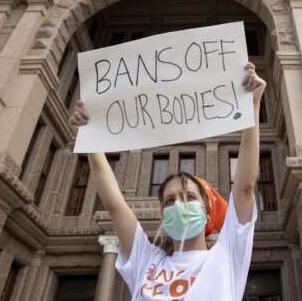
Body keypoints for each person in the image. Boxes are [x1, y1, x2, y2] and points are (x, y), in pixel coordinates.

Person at [69, 62, 266, 300]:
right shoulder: (146, 261)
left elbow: (245, 187)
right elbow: (114, 203)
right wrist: (90, 136)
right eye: (170, 200)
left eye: (190, 197)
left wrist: (253, 105)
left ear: (206, 212)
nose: (179, 205)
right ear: (163, 213)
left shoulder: (227, 254)